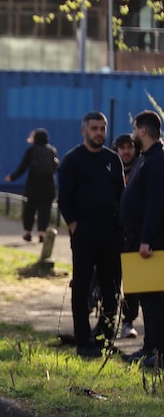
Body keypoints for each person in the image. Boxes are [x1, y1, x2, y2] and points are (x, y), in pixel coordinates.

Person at [57, 110, 125, 358]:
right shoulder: (72, 160)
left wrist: (120, 227)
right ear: (83, 130)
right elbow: (64, 199)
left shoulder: (112, 159)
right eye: (94, 128)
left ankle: (105, 338)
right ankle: (83, 340)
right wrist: (75, 227)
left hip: (110, 233)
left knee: (111, 289)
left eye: (102, 128)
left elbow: (121, 195)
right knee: (82, 287)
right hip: (85, 232)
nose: (99, 133)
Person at [119, 110, 164, 366]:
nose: (133, 133)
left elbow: (155, 203)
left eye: (135, 129)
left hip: (152, 242)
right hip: (138, 238)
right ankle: (149, 348)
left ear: (143, 131)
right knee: (146, 296)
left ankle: (158, 352)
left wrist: (146, 239)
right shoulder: (146, 158)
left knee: (155, 298)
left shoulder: (158, 159)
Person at [5, 128, 58, 243]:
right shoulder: (52, 150)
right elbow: (56, 167)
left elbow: (23, 167)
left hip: (34, 185)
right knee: (45, 211)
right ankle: (42, 233)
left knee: (30, 209)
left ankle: (28, 233)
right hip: (48, 185)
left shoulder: (31, 150)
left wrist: (12, 177)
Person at [115, 132, 142, 339]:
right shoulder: (110, 169)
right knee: (109, 279)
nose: (126, 151)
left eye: (129, 147)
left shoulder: (142, 170)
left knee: (133, 283)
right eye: (122, 148)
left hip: (134, 235)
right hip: (112, 233)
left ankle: (128, 321)